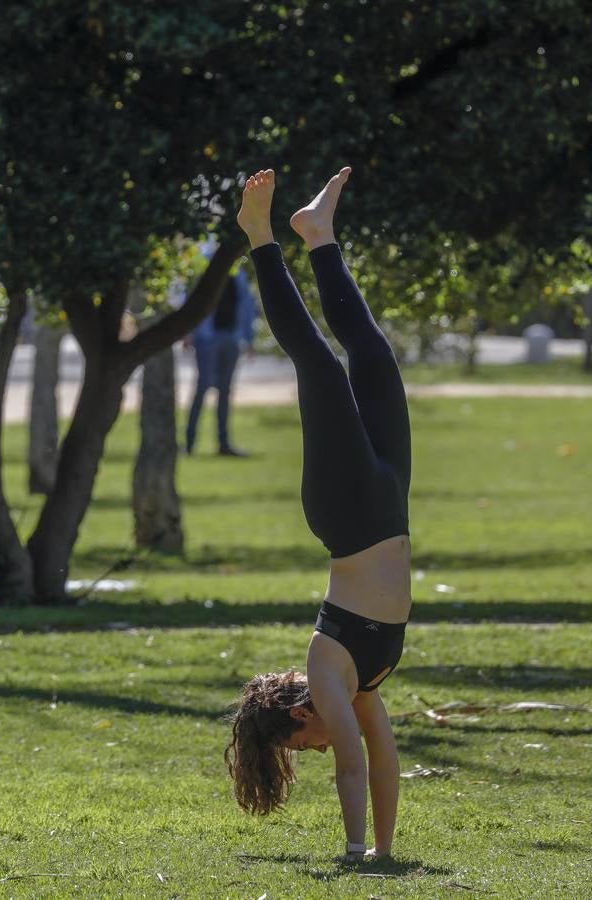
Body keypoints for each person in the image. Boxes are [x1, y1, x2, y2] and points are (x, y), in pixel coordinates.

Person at [223, 166, 412, 863]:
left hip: (346, 511)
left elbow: (352, 766)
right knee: (373, 357)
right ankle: (317, 233)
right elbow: (383, 761)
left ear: (297, 718)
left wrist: (354, 846)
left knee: (324, 368)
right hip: (388, 506)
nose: (321, 744)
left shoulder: (330, 674)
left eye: (302, 745)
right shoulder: (363, 685)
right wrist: (383, 853)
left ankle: (259, 238)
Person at [185, 265, 258, 457]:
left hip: (231, 337)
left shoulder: (240, 271)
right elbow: (192, 297)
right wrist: (188, 331)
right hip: (206, 337)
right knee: (202, 388)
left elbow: (247, 305)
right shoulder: (203, 264)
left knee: (225, 391)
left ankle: (223, 444)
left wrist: (249, 339)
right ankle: (189, 443)